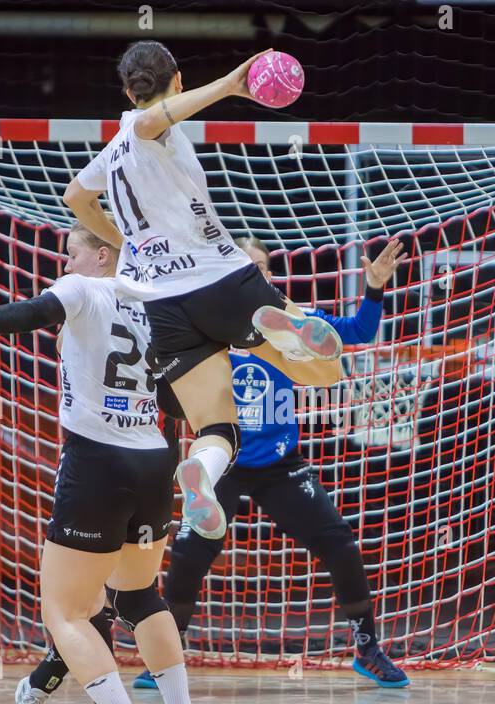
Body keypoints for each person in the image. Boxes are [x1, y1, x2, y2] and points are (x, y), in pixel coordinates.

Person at [0, 221, 209, 704]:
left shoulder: (84, 289)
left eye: (72, 255)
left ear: (102, 256)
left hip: (98, 459)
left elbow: (30, 313)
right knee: (139, 597)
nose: (64, 266)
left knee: (65, 612)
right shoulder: (153, 300)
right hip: (153, 455)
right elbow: (172, 395)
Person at [63, 40, 343, 542]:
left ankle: (200, 476)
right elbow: (151, 122)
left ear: (126, 90)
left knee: (218, 429)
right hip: (218, 278)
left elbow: (75, 197)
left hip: (165, 306)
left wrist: (128, 245)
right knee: (328, 372)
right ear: (178, 80)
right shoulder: (149, 128)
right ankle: (278, 330)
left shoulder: (116, 147)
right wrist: (232, 85)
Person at [136, 236, 411, 690]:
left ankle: (367, 649)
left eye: (261, 267)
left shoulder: (289, 324)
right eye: (245, 267)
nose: (255, 275)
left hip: (280, 464)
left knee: (339, 542)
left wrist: (375, 287)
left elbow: (359, 332)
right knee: (188, 553)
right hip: (222, 460)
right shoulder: (202, 325)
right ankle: (166, 656)